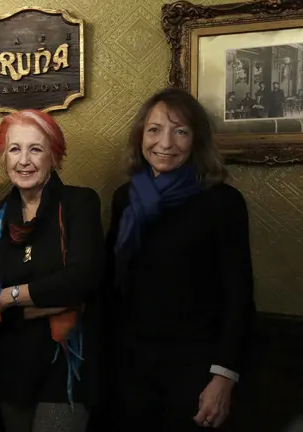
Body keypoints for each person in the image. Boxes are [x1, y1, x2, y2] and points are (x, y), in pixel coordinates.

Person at [106, 88, 255, 430]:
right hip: (131, 364)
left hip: (196, 367)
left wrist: (223, 377)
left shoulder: (222, 202)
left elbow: (239, 294)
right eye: (155, 129)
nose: (166, 142)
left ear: (196, 140)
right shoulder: (125, 198)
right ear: (140, 136)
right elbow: (112, 282)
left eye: (181, 131)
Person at [0, 109, 104, 432]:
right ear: (4, 157)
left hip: (64, 366)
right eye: (15, 149)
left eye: (35, 149)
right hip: (10, 368)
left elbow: (82, 280)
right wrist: (44, 299)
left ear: (54, 155)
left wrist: (13, 297)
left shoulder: (80, 204)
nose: (24, 160)